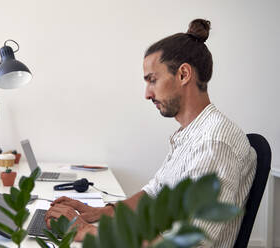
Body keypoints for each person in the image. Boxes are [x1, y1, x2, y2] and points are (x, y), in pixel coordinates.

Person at [44, 19, 257, 247]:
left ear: (184, 74)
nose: (147, 94)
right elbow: (153, 193)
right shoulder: (191, 134)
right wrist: (97, 213)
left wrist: (86, 231)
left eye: (152, 80)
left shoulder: (214, 143)